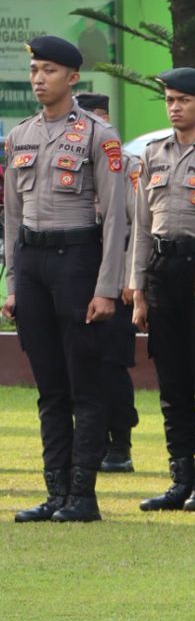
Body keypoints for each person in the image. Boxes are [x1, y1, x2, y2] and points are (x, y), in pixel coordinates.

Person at [4, 36, 129, 523]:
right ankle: (55, 492)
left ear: (72, 78)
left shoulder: (100, 135)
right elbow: (12, 217)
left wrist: (106, 287)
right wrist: (14, 284)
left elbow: (116, 217)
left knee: (85, 384)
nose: (39, 78)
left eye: (49, 70)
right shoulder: (20, 136)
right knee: (49, 387)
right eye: (35, 69)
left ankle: (83, 495)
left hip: (78, 260)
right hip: (33, 265)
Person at [130, 68, 195, 512]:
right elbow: (141, 226)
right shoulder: (153, 154)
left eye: (184, 100)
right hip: (162, 270)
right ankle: (180, 477)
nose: (174, 107)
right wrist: (138, 289)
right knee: (171, 381)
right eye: (169, 99)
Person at [75, 91, 140, 474]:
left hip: (115, 276)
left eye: (100, 118)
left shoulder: (129, 167)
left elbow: (136, 228)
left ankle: (120, 442)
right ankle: (91, 441)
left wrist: (131, 279)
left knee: (112, 362)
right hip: (76, 273)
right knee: (81, 362)